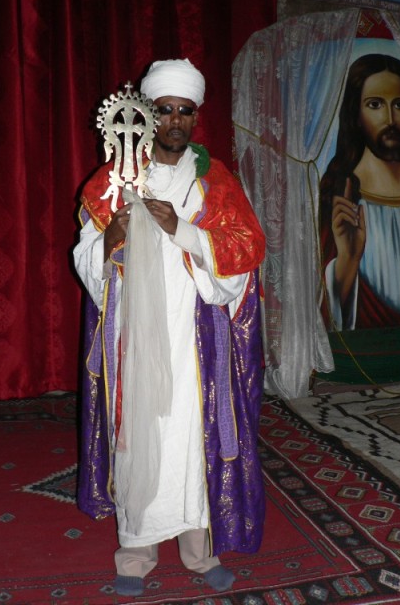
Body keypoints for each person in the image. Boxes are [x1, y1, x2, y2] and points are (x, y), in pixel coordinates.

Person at [73, 58, 266, 597]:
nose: (176, 120)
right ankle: (134, 553)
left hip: (195, 335)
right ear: (147, 114)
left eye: (186, 111)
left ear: (196, 117)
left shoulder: (215, 181)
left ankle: (199, 553)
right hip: (134, 334)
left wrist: (180, 228)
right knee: (137, 435)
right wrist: (110, 242)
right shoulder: (115, 178)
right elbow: (86, 253)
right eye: (165, 111)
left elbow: (244, 254)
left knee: (191, 435)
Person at [320, 54, 400, 330]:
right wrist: (348, 260)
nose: (390, 119)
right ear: (356, 113)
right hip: (370, 361)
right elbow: (319, 312)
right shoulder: (340, 195)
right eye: (375, 105)